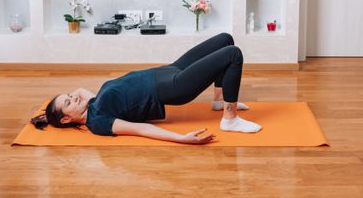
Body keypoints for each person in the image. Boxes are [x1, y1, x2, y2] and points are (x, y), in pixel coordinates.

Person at [31, 33, 262, 145]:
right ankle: (229, 119)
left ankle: (220, 100)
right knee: (233, 54)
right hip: (173, 87)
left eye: (69, 96)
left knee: (225, 39)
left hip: (168, 70)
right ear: (65, 120)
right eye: (69, 102)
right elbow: (140, 129)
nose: (74, 97)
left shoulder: (92, 103)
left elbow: (81, 91)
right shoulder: (98, 122)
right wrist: (183, 139)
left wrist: (64, 106)